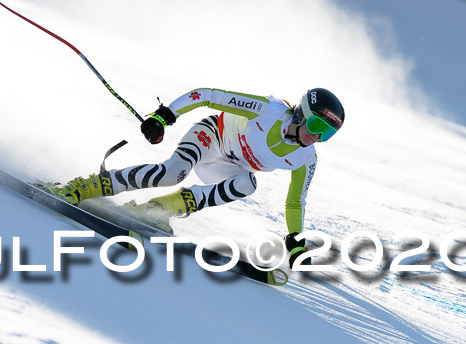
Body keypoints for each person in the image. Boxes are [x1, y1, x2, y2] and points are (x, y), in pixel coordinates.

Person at [46, 87, 345, 267]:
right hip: (211, 136)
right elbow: (208, 96)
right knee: (171, 172)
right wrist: (164, 116)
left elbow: (296, 202)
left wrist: (295, 241)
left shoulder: (306, 158)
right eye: (317, 124)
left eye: (327, 133)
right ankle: (81, 187)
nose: (317, 135)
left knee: (248, 183)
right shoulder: (267, 110)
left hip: (228, 166)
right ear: (301, 113)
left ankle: (158, 210)